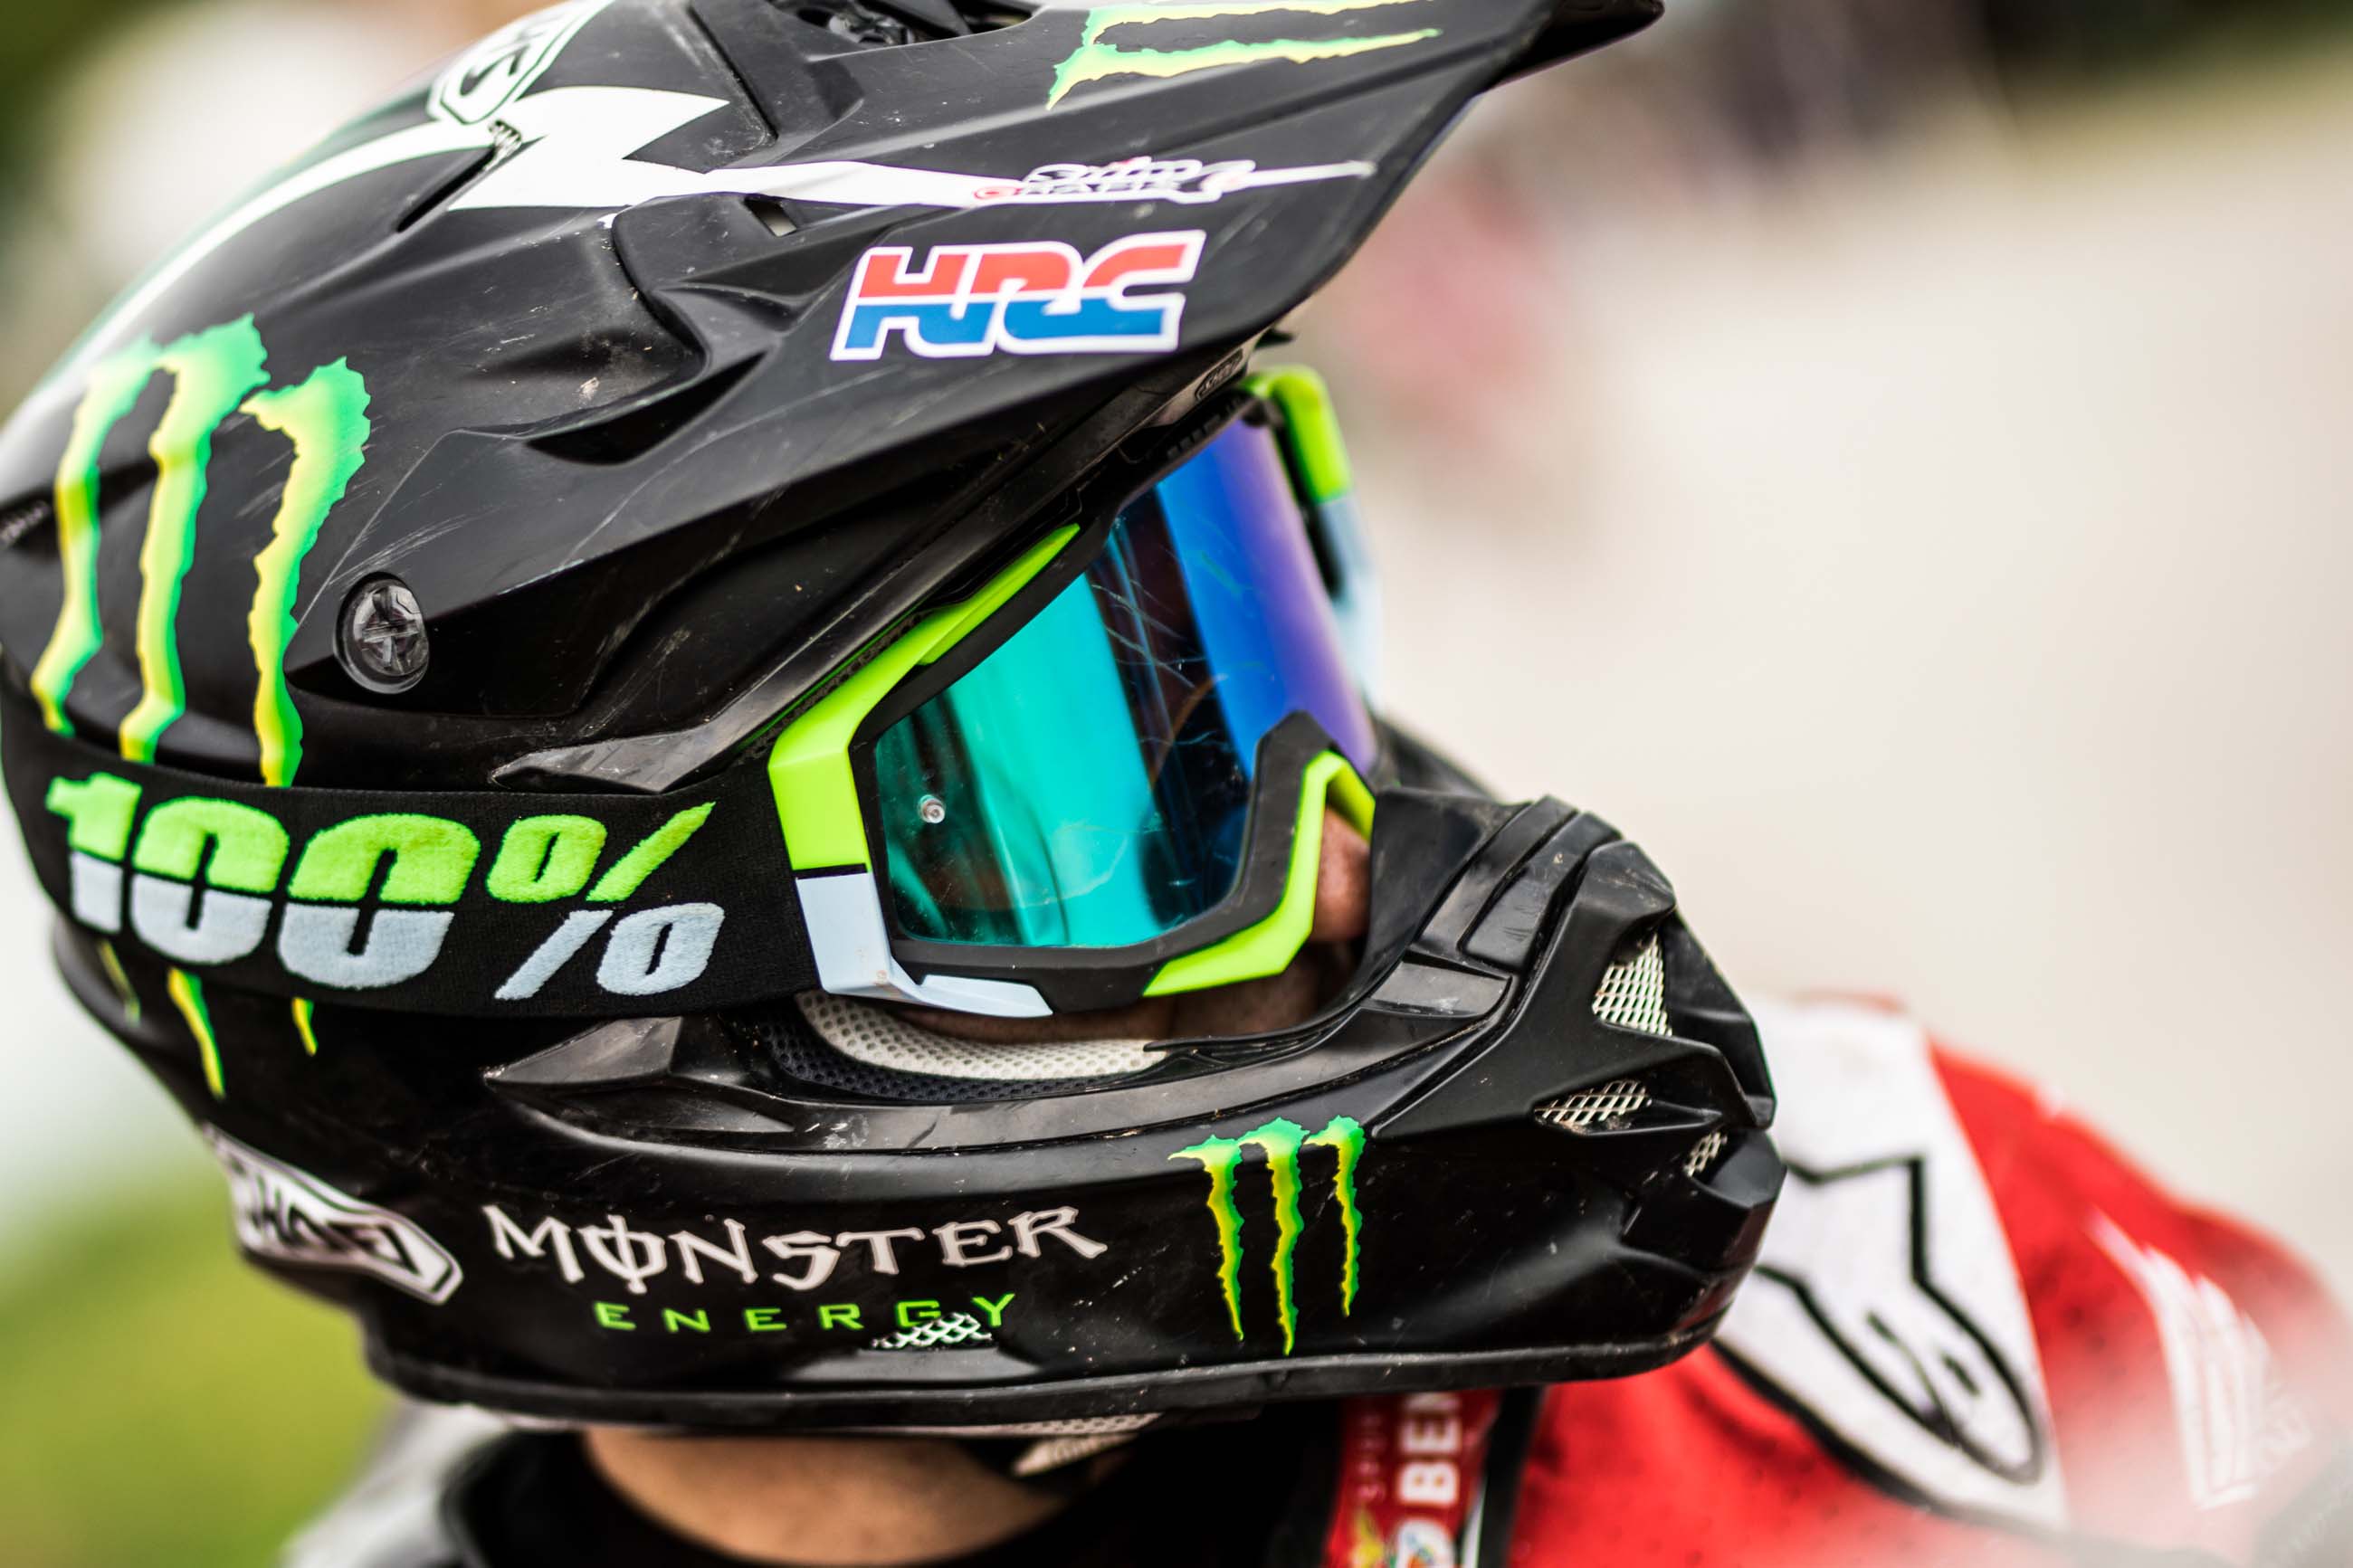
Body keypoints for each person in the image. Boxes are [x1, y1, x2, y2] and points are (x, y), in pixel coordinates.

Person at [0, 3, 2342, 1564]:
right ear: (600, 982)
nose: (1336, 849)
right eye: (1106, 795)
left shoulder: (1884, 1266)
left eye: (1248, 630)